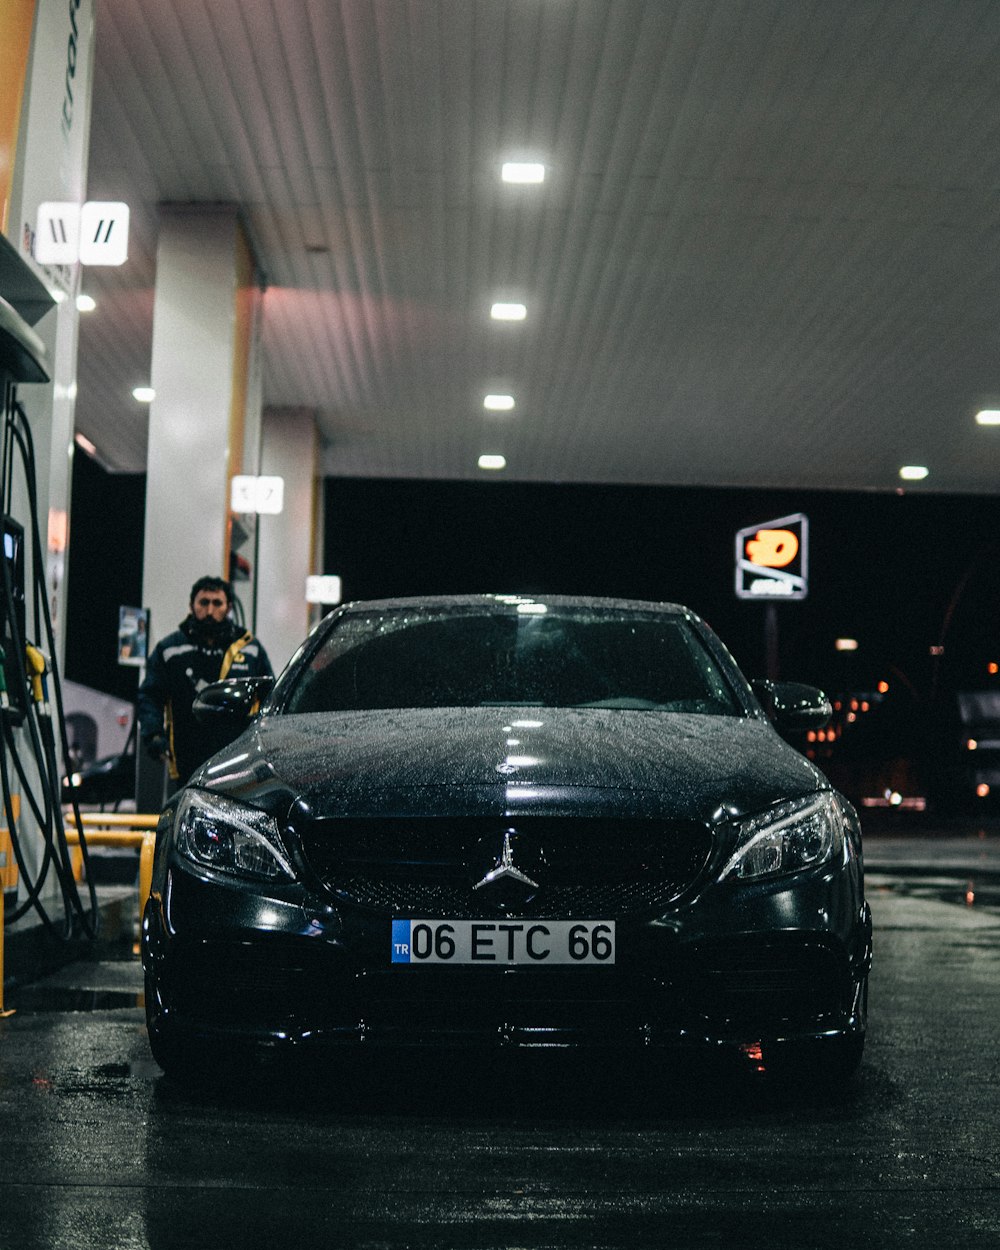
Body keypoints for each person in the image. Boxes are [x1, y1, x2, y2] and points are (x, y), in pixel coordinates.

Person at [137, 576, 273, 786]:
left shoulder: (250, 649)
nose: (210, 611)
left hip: (236, 761)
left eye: (217, 603)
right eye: (204, 603)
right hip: (186, 761)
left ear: (228, 608)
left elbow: (269, 697)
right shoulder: (170, 649)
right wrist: (153, 735)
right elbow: (149, 695)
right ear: (192, 606)